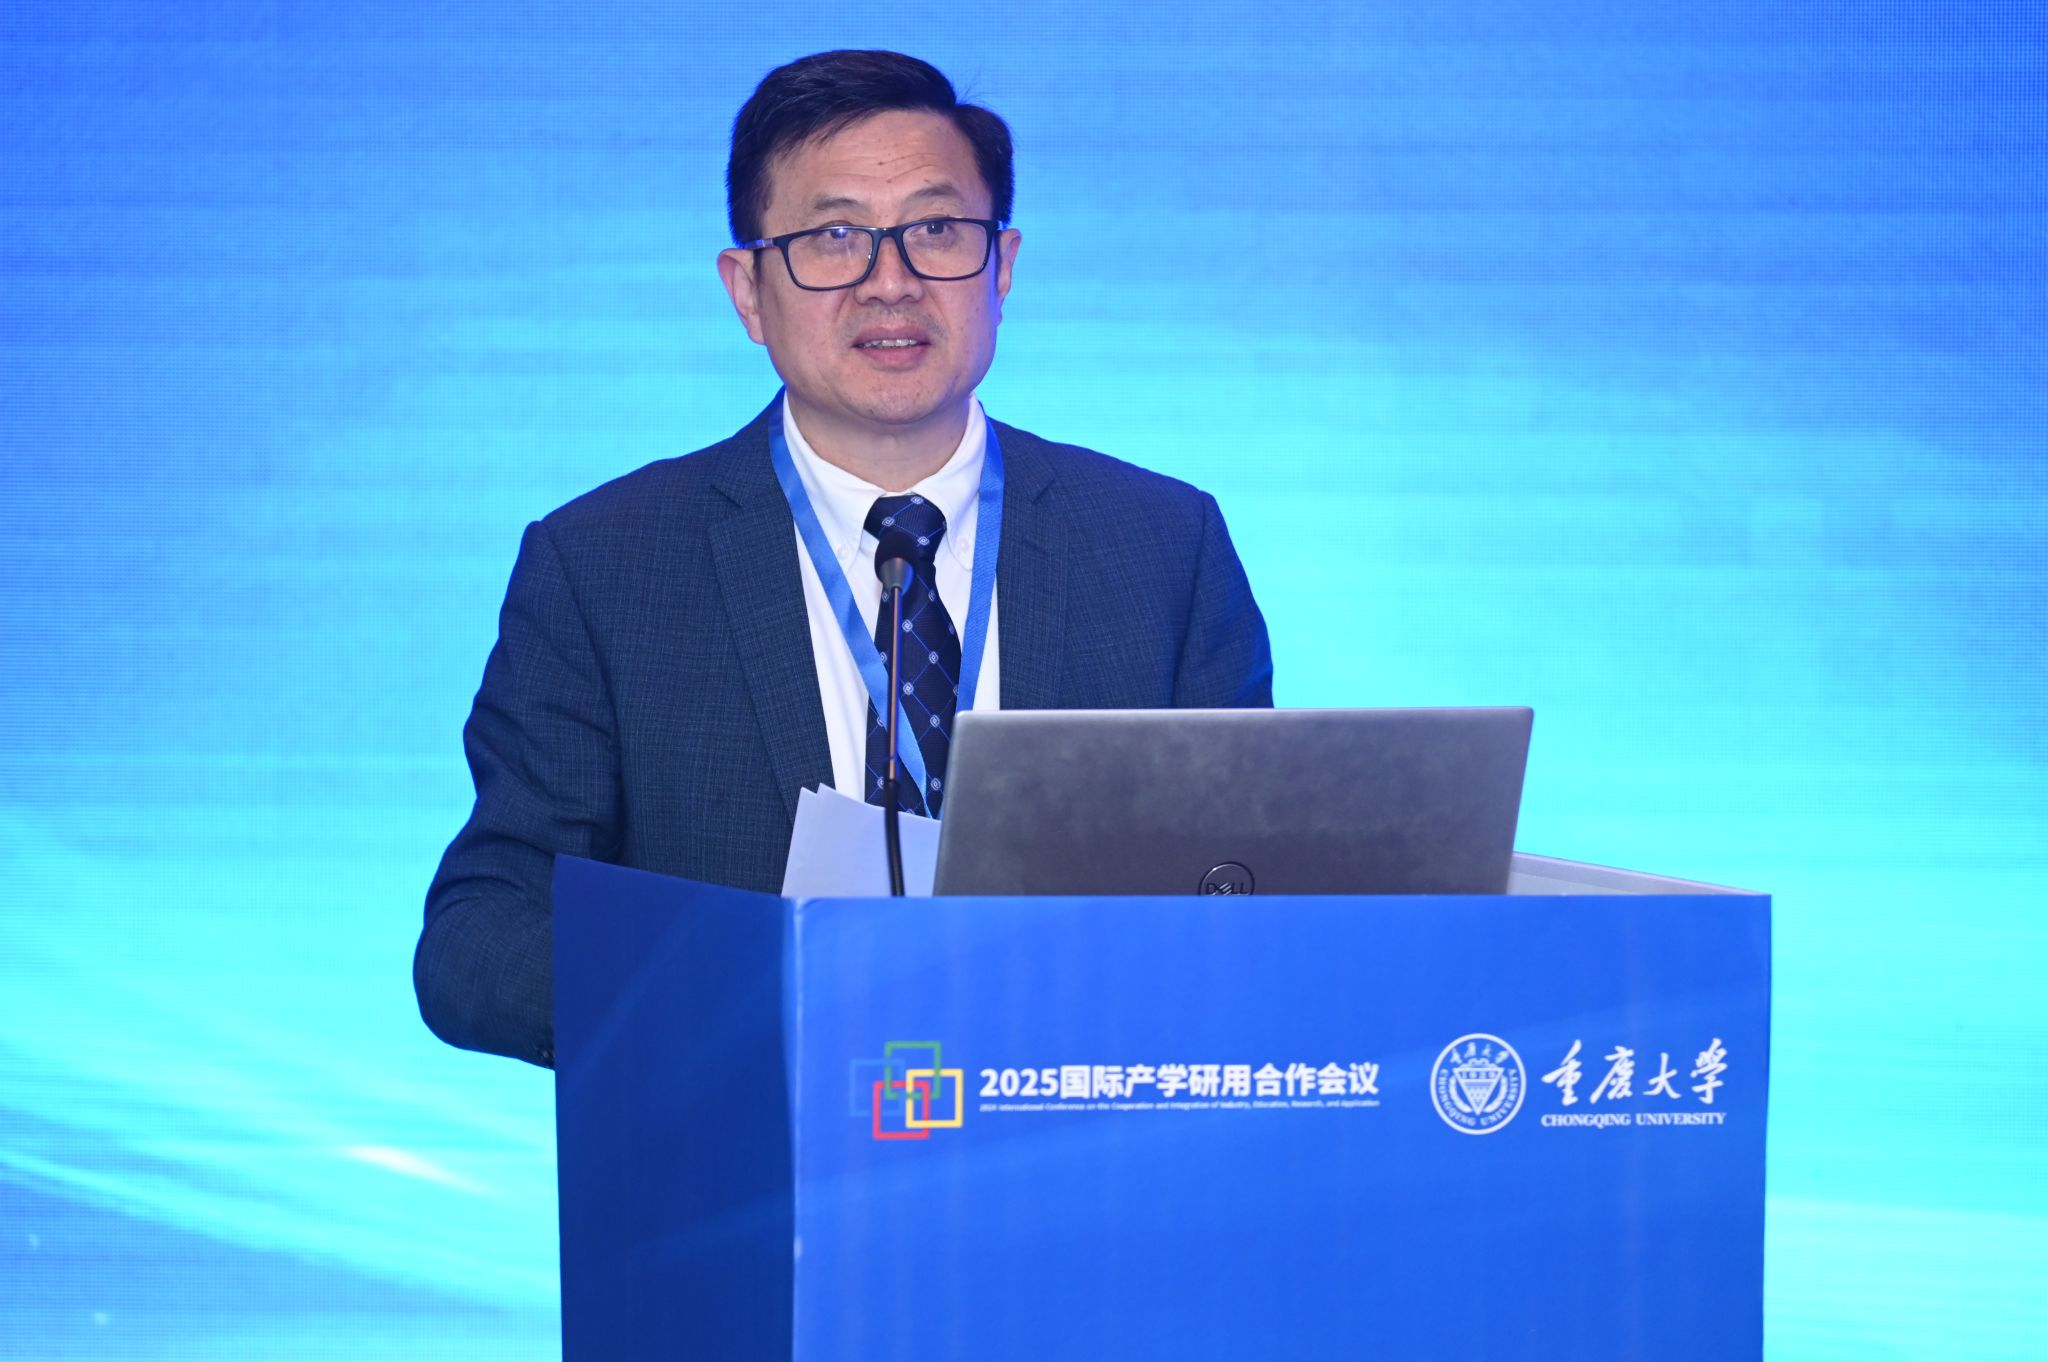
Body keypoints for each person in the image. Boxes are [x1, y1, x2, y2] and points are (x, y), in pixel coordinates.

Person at [414, 50, 1273, 1067]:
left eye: (936, 231)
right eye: (833, 238)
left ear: (1001, 267)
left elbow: (1252, 897)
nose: (890, 282)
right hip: (750, 1143)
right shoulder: (606, 567)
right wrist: (750, 1001)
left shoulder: (1160, 547)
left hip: (1084, 1138)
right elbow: (480, 940)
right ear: (747, 290)